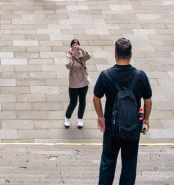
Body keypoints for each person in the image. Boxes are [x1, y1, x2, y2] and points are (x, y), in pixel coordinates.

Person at [93, 38, 152, 185]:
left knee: (108, 162)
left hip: (111, 128)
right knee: (129, 164)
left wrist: (101, 117)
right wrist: (145, 119)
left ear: (115, 54)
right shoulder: (141, 76)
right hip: (133, 127)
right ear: (131, 55)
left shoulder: (105, 75)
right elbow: (148, 101)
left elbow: (96, 98)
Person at [64, 39, 91, 128]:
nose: (75, 47)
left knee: (82, 101)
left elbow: (89, 56)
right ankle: (67, 118)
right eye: (73, 46)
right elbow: (68, 66)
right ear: (71, 47)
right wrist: (73, 58)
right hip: (74, 83)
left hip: (83, 81)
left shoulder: (82, 53)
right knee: (73, 102)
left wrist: (82, 50)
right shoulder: (69, 55)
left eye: (77, 45)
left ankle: (80, 119)